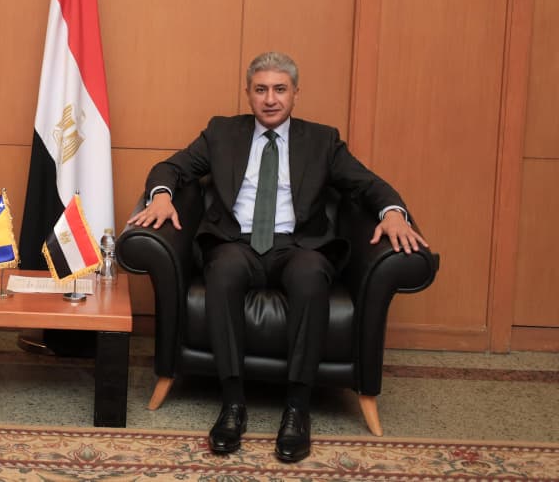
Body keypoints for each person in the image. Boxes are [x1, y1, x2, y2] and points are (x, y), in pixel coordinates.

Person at [127, 51, 426, 463]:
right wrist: (161, 196)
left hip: (298, 246)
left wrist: (393, 213)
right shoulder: (221, 132)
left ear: (296, 93)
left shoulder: (322, 141)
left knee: (310, 277)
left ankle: (297, 409)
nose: (270, 99)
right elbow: (171, 167)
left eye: (280, 89)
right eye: (261, 89)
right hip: (236, 242)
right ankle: (233, 404)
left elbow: (368, 184)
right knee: (222, 272)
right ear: (248, 93)